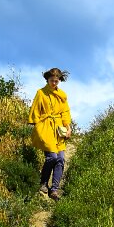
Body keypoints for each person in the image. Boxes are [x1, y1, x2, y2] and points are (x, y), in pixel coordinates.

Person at [28, 68, 72, 200]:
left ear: (59, 80)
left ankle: (54, 190)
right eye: (52, 80)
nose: (54, 83)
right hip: (45, 127)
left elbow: (65, 113)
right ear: (47, 79)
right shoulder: (41, 93)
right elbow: (35, 110)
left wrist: (68, 128)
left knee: (60, 159)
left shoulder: (62, 95)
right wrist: (37, 127)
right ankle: (43, 183)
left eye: (56, 81)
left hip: (58, 129)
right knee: (52, 157)